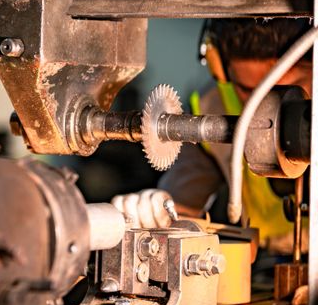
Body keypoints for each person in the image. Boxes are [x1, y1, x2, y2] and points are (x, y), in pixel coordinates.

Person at [112, 17, 312, 253]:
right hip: (269, 261)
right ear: (220, 69)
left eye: (289, 89)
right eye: (250, 90)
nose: (265, 107)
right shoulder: (211, 106)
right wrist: (155, 214)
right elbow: (181, 205)